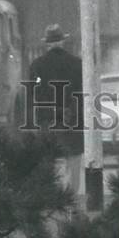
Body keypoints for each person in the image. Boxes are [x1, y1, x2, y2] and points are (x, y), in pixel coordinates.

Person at [29, 24, 84, 199]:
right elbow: (81, 94)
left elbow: (33, 94)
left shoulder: (37, 66)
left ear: (47, 44)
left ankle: (52, 198)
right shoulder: (77, 64)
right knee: (74, 161)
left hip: (48, 122)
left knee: (49, 161)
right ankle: (71, 197)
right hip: (72, 121)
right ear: (62, 42)